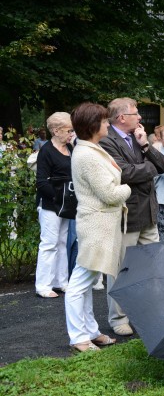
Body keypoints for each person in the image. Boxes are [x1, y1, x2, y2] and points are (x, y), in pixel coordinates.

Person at [65, 102, 131, 352]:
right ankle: (78, 337)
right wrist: (129, 188)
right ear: (94, 126)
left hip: (101, 224)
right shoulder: (87, 155)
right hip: (96, 224)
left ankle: (90, 331)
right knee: (80, 282)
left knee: (89, 277)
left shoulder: (91, 149)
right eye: (104, 121)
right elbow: (110, 194)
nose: (108, 124)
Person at [100, 97, 164, 336]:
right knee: (121, 268)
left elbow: (163, 166)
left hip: (148, 212)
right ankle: (118, 317)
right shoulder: (107, 141)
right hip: (126, 214)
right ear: (121, 118)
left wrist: (147, 147)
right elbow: (123, 173)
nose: (140, 118)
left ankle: (148, 311)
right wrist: (150, 170)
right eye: (136, 114)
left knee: (152, 267)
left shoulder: (139, 139)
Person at [34, 112, 75, 298]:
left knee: (61, 242)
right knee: (49, 243)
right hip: (50, 204)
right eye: (69, 130)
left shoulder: (72, 149)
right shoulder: (46, 151)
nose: (71, 134)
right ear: (56, 130)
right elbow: (41, 182)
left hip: (66, 204)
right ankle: (43, 285)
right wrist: (59, 198)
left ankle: (61, 282)